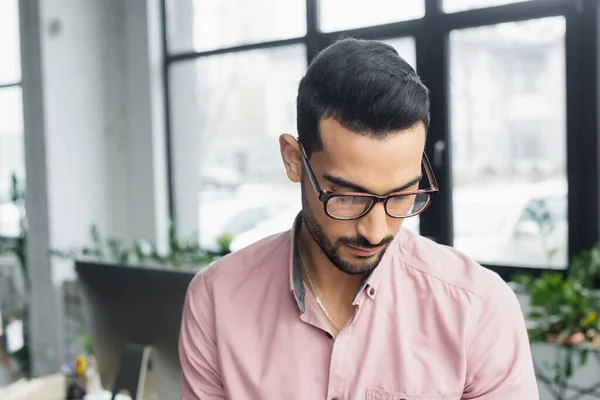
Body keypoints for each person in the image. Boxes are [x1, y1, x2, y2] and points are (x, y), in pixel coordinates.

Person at [179, 38, 539, 399]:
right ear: (293, 159)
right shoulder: (216, 300)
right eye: (349, 197)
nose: (375, 231)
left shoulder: (478, 307)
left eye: (401, 195)